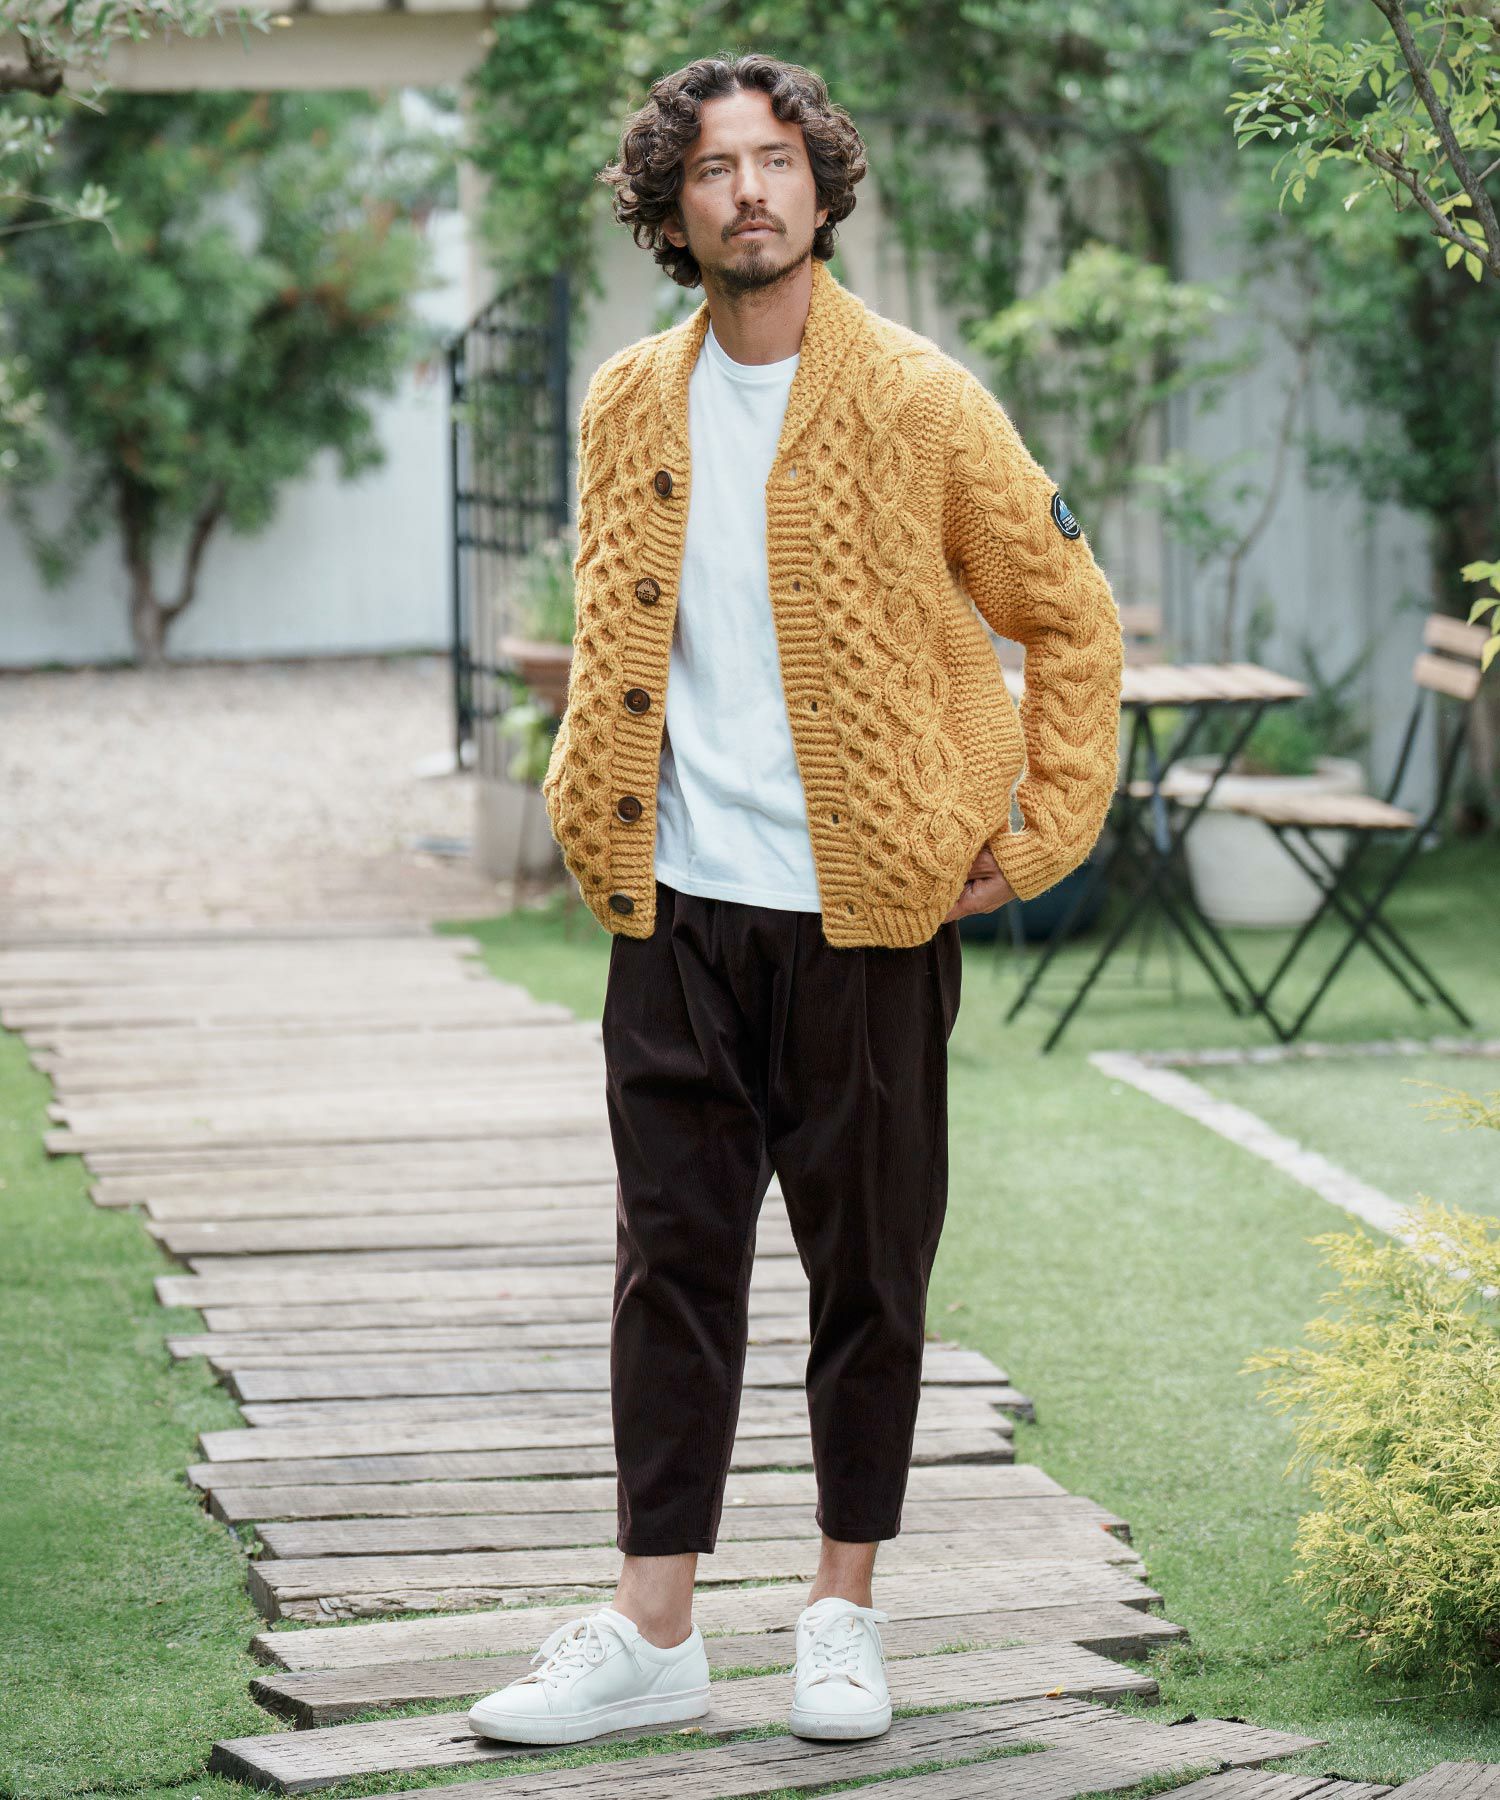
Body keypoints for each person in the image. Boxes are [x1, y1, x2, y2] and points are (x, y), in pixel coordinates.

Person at [467, 50, 1124, 1749]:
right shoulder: (628, 399)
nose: (747, 190)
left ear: (821, 186)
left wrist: (1041, 832)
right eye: (711, 168)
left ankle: (842, 1612)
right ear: (670, 208)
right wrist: (587, 797)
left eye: (774, 160)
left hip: (869, 917)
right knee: (669, 1268)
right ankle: (654, 1627)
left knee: (869, 1271)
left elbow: (1068, 612)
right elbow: (617, 628)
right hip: (675, 907)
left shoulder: (922, 401)